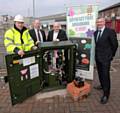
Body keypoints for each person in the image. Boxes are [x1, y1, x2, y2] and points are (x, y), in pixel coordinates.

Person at [94, 17, 118, 104]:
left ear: (104, 22)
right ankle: (102, 85)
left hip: (106, 59)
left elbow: (115, 45)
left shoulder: (110, 31)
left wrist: (111, 56)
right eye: (98, 22)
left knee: (105, 75)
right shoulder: (95, 32)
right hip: (98, 58)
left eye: (100, 22)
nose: (99, 23)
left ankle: (106, 94)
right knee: (100, 73)